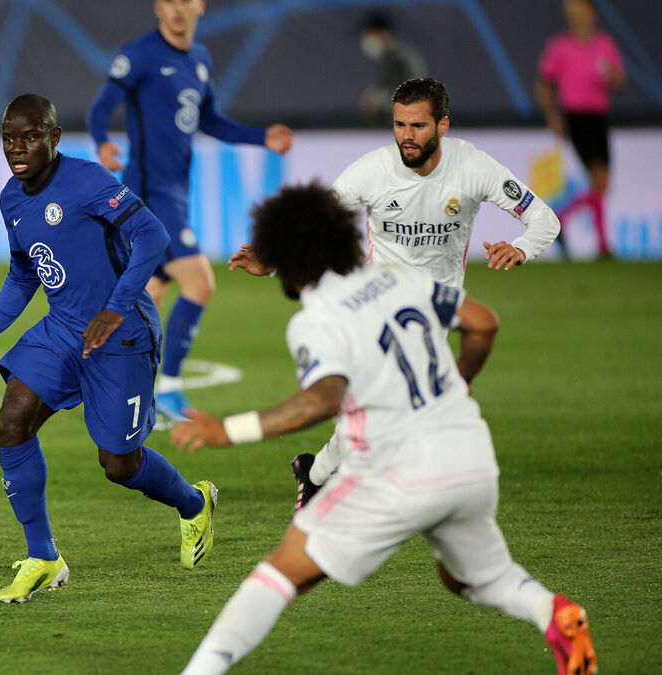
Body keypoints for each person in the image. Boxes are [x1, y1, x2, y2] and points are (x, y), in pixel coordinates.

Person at [172, 183, 597, 675]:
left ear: (288, 259)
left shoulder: (315, 321)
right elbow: (483, 323)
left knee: (279, 574)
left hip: (395, 472)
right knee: (473, 577)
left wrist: (229, 430)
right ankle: (553, 612)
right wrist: (459, 381)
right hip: (470, 457)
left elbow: (322, 399)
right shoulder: (401, 279)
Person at [0, 94, 216, 603]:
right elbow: (23, 275)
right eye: (8, 139)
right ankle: (44, 557)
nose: (17, 148)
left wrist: (115, 307)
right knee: (11, 422)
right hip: (65, 329)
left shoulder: (88, 180)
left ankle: (194, 504)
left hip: (122, 333)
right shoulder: (11, 199)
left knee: (119, 465)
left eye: (29, 137)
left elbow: (152, 234)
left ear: (53, 137)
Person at [268, 78, 560, 510]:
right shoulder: (372, 171)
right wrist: (271, 260)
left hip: (437, 312)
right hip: (377, 304)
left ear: (443, 126)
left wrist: (521, 247)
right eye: (399, 124)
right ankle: (354, 487)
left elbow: (544, 219)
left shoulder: (473, 167)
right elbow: (314, 224)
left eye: (418, 126)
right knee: (385, 406)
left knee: (385, 411)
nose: (406, 135)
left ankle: (315, 474)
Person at [86, 0, 294, 422]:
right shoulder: (140, 54)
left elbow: (210, 120)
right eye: (170, 1)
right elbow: (101, 106)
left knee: (149, 297)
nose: (178, 9)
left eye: (186, 0)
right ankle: (169, 391)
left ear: (200, 5)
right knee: (200, 283)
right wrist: (102, 141)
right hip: (150, 196)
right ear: (157, 7)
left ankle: (110, 386)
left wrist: (261, 138)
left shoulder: (199, 58)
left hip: (177, 194)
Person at [536, 0, 625, 259]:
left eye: (580, 8)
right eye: (572, 9)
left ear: (592, 12)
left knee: (601, 184)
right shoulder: (560, 46)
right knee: (599, 180)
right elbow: (544, 84)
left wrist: (612, 76)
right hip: (576, 117)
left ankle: (561, 219)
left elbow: (620, 82)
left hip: (598, 116)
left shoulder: (604, 44)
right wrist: (552, 116)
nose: (575, 13)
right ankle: (601, 244)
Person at [357, 13, 428, 125]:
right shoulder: (390, 59)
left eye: (371, 33)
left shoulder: (401, 59)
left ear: (384, 33)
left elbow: (414, 96)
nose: (367, 39)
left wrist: (380, 102)